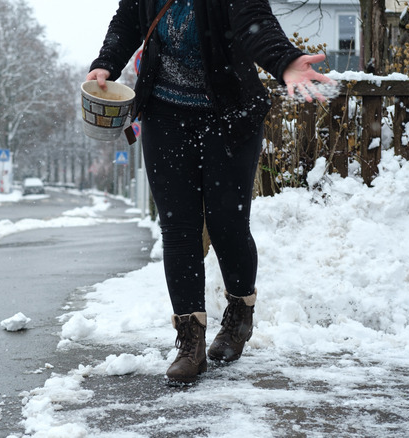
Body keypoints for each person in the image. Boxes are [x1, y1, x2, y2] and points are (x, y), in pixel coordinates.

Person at [87, 0, 333, 384]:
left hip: (228, 114)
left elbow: (254, 20)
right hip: (165, 115)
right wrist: (106, 62)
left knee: (227, 224)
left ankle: (238, 316)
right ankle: (190, 343)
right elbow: (128, 20)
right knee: (178, 228)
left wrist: (285, 60)